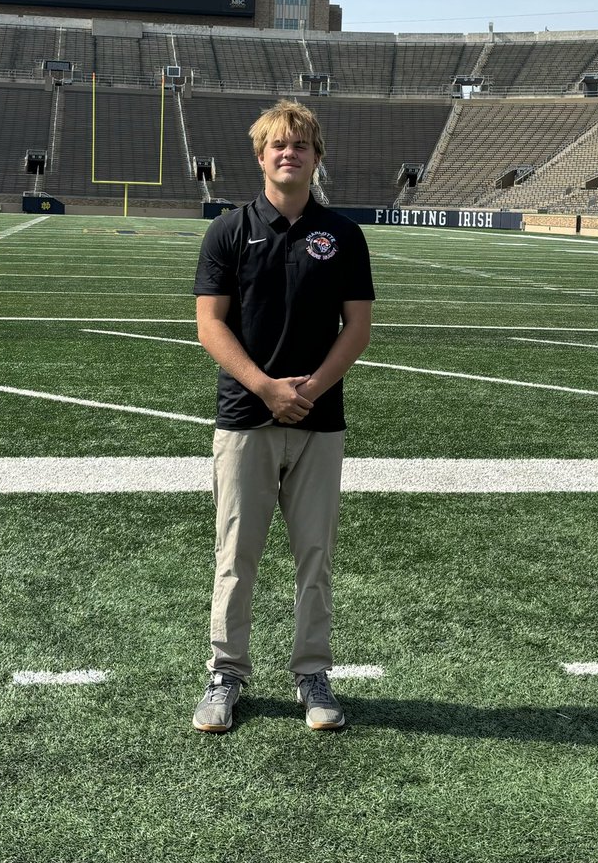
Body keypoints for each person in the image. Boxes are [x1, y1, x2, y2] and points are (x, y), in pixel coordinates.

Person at [191, 99, 375, 732]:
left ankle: (312, 674)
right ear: (260, 155)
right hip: (246, 415)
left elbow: (357, 328)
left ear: (316, 156)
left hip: (319, 422)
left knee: (314, 556)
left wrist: (313, 389)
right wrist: (267, 387)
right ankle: (225, 675)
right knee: (235, 553)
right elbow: (209, 324)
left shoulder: (343, 235)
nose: (287, 152)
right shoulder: (228, 229)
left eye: (299, 144)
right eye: (277, 144)